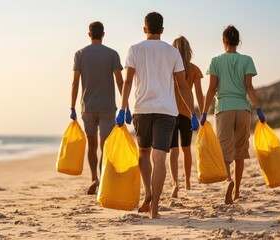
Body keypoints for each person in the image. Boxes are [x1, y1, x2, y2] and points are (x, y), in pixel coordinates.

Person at [116, 12, 199, 219]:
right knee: (160, 157)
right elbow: (182, 86)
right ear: (162, 30)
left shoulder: (134, 49)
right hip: (166, 112)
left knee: (143, 152)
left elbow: (127, 81)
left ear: (145, 29)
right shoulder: (173, 53)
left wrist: (123, 107)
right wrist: (192, 113)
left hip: (142, 110)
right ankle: (155, 209)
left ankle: (148, 192)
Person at [201, 25, 266, 205]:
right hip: (243, 110)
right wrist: (259, 109)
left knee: (225, 151)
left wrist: (204, 113)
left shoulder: (216, 61)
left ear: (224, 40)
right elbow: (249, 87)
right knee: (240, 150)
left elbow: (211, 88)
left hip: (224, 109)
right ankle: (237, 191)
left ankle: (229, 181)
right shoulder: (247, 60)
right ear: (238, 41)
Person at [71, 21, 129, 195]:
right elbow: (120, 81)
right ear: (103, 34)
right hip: (107, 108)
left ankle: (94, 178)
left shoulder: (80, 54)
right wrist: (125, 107)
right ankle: (103, 178)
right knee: (105, 146)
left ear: (89, 34)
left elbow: (75, 83)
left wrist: (72, 106)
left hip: (87, 107)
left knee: (92, 145)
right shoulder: (112, 54)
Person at [169, 36, 204, 198]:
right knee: (186, 149)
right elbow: (198, 93)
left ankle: (175, 183)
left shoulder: (170, 68)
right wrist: (201, 113)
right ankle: (188, 182)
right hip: (187, 113)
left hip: (170, 112)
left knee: (173, 150)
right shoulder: (194, 69)